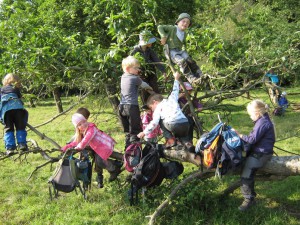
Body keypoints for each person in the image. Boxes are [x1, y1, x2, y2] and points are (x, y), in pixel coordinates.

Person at [233, 100, 275, 211]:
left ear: (257, 113)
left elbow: (252, 139)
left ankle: (249, 199)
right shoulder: (262, 120)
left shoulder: (263, 122)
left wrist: (239, 134)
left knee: (246, 172)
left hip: (262, 153)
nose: (250, 117)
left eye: (251, 115)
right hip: (259, 150)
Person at [61, 112, 122, 188]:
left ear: (86, 120)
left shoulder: (91, 128)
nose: (82, 125)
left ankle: (114, 168)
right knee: (99, 161)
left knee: (100, 161)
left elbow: (87, 139)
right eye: (79, 124)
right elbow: (76, 141)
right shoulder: (82, 132)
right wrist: (66, 147)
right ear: (77, 127)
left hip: (104, 145)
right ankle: (115, 165)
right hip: (99, 148)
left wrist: (80, 146)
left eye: (83, 122)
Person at [137, 71, 193, 152]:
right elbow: (175, 89)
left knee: (160, 121)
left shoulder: (158, 108)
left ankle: (170, 140)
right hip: (185, 123)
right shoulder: (172, 98)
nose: (152, 110)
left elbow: (154, 123)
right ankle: (187, 144)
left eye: (151, 107)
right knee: (181, 133)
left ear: (155, 102)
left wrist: (144, 133)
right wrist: (176, 78)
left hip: (173, 124)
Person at [118, 56, 153, 150]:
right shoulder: (135, 78)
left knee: (128, 131)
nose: (138, 70)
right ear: (128, 69)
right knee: (135, 130)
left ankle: (127, 149)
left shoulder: (123, 77)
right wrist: (151, 89)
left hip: (121, 107)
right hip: (131, 107)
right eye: (136, 68)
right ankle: (135, 151)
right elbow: (145, 85)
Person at [158, 13, 202, 85]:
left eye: (187, 23)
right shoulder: (172, 28)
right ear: (178, 22)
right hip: (170, 51)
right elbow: (160, 27)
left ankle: (199, 75)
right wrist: (163, 36)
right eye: (183, 21)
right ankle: (191, 78)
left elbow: (184, 44)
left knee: (190, 60)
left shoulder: (184, 34)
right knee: (182, 62)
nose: (185, 23)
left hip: (180, 51)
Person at [131, 30, 166, 102]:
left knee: (154, 88)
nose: (152, 43)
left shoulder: (150, 50)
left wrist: (163, 71)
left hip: (151, 73)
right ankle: (146, 107)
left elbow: (157, 61)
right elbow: (131, 63)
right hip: (141, 73)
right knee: (144, 90)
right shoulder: (135, 51)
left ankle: (158, 104)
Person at [0, 73, 28, 155]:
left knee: (9, 128)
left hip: (7, 111)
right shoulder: (16, 89)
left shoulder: (1, 89)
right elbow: (20, 100)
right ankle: (22, 144)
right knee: (20, 127)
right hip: (18, 109)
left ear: (5, 81)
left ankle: (10, 148)